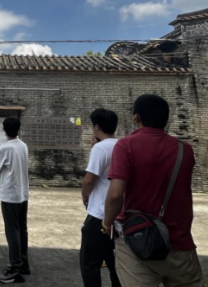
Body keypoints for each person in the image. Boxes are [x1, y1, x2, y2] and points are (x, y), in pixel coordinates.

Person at [103, 94, 204, 287]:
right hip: (179, 243)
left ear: (136, 118)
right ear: (166, 120)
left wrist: (107, 223)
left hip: (136, 240)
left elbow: (115, 195)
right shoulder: (185, 149)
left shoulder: (126, 145)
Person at [80, 109, 121, 287]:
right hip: (118, 214)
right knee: (116, 264)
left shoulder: (100, 148)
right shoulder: (122, 145)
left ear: (97, 127)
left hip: (99, 214)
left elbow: (89, 180)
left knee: (89, 263)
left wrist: (85, 196)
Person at [0, 117, 29, 284]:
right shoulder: (23, 146)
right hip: (23, 194)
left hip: (10, 195)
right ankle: (24, 263)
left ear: (4, 129)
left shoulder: (5, 148)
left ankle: (15, 268)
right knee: (22, 229)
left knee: (12, 231)